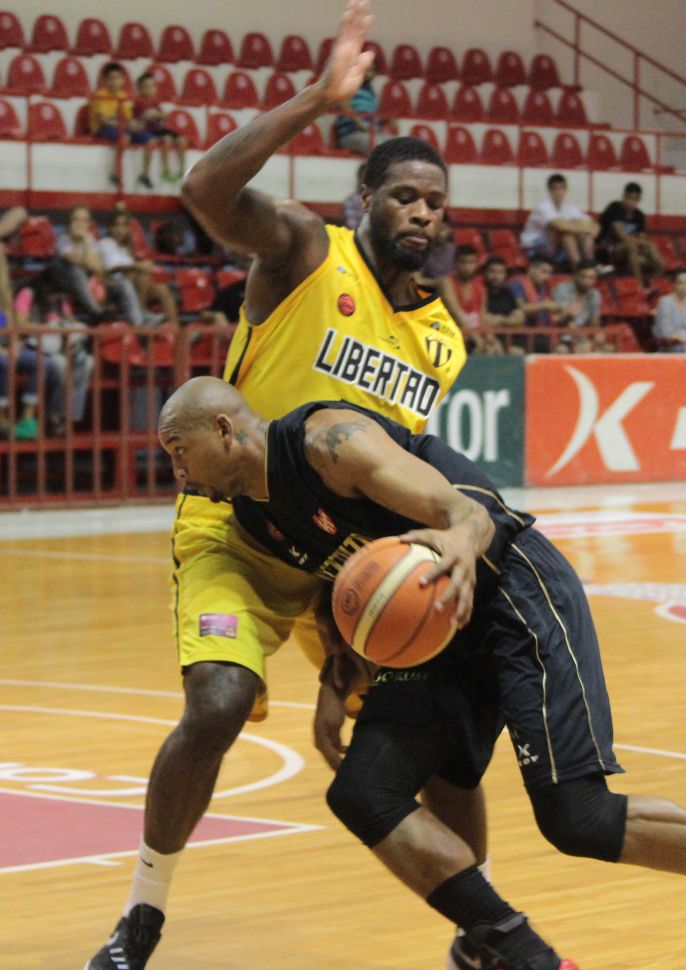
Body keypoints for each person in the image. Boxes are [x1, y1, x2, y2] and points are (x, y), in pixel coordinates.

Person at [84, 4, 472, 967]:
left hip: (342, 559)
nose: (422, 213)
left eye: (435, 202)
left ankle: (484, 934)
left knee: (442, 726)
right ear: (363, 200)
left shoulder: (443, 340)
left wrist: (347, 649)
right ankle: (141, 914)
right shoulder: (306, 252)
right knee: (217, 703)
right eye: (403, 196)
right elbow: (203, 189)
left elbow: (390, 481)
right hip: (236, 530)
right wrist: (316, 100)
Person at [157, 376, 686, 969]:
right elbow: (337, 581)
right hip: (440, 635)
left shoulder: (328, 442)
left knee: (579, 819)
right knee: (364, 791)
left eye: (179, 451)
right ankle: (523, 958)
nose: (178, 473)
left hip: (511, 592)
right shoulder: (255, 515)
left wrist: (462, 542)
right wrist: (334, 675)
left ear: (223, 430)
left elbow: (467, 511)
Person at [13, 268, 94, 435]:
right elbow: (20, 324)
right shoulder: (28, 294)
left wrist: (73, 327)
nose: (55, 295)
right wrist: (46, 328)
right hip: (35, 345)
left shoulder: (60, 298)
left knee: (86, 362)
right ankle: (54, 415)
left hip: (60, 344)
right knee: (59, 364)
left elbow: (69, 319)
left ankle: (68, 415)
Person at [97, 211, 178, 326]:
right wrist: (137, 266)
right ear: (110, 228)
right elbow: (112, 268)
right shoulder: (105, 243)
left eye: (124, 226)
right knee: (142, 272)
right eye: (116, 225)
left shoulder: (125, 248)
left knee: (162, 289)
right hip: (115, 285)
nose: (120, 230)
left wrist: (145, 266)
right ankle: (141, 314)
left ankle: (175, 329)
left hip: (134, 284)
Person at [520, 174, 599, 270]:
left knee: (586, 236)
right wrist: (586, 228)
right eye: (555, 189)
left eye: (562, 189)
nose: (559, 192)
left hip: (553, 245)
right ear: (550, 191)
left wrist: (591, 228)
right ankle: (579, 269)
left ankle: (590, 267)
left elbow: (590, 222)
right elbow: (560, 226)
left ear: (566, 190)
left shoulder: (568, 207)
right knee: (566, 234)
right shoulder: (543, 207)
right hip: (533, 246)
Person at [89, 63, 149, 185]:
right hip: (102, 128)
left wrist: (136, 124)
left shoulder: (123, 95)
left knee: (149, 139)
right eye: (112, 78)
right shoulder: (100, 95)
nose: (115, 81)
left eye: (118, 78)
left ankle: (144, 175)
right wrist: (125, 125)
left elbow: (128, 118)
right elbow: (105, 121)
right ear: (106, 80)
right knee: (125, 137)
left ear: (122, 80)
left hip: (121, 127)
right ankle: (116, 174)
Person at [598, 182, 664, 283]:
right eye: (629, 198)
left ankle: (653, 283)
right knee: (632, 245)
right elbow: (621, 235)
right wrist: (642, 242)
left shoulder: (639, 215)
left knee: (651, 248)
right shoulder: (614, 208)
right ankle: (638, 284)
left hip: (628, 249)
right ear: (623, 196)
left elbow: (642, 237)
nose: (631, 202)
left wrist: (647, 245)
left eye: (635, 199)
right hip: (607, 248)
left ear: (639, 200)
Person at [131, 72, 187, 189]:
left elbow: (160, 117)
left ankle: (183, 171)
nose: (149, 89)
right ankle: (166, 170)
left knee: (182, 139)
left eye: (152, 86)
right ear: (139, 89)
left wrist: (161, 116)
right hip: (149, 130)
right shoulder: (138, 103)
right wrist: (158, 116)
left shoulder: (155, 102)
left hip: (159, 129)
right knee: (167, 139)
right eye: (146, 86)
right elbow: (147, 117)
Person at [334, 57, 397, 155]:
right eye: (365, 70)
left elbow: (375, 115)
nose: (368, 73)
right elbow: (344, 106)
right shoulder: (349, 87)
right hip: (352, 134)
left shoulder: (371, 92)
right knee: (378, 148)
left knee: (397, 145)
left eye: (371, 70)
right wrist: (358, 123)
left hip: (373, 133)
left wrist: (388, 120)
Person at [53, 206, 105, 321]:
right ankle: (97, 312)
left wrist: (86, 241)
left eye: (84, 220)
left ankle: (139, 322)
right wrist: (86, 243)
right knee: (76, 270)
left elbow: (99, 268)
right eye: (76, 219)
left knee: (121, 283)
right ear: (69, 223)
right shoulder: (63, 241)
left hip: (88, 284)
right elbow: (80, 261)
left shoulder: (91, 239)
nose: (80, 224)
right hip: (66, 284)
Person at [507, 256, 566, 353]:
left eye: (549, 273)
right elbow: (522, 308)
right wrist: (545, 305)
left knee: (563, 349)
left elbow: (549, 316)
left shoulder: (544, 288)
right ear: (531, 269)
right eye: (543, 271)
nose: (547, 277)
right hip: (523, 335)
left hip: (543, 334)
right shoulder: (517, 284)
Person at [437, 244, 485, 351]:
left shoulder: (480, 287)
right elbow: (456, 313)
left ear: (476, 264)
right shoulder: (446, 283)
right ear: (455, 263)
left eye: (471, 262)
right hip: (449, 334)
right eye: (463, 262)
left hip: (473, 335)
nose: (467, 267)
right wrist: (476, 338)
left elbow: (482, 317)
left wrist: (489, 339)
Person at [552, 259, 604, 353]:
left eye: (591, 278)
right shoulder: (562, 289)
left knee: (607, 348)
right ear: (575, 275)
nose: (586, 281)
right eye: (583, 276)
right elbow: (561, 321)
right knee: (582, 348)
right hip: (562, 335)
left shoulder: (595, 294)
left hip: (583, 335)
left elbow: (594, 323)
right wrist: (583, 338)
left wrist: (598, 334)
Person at [653, 268, 686, 352]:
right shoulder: (665, 302)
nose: (685, 287)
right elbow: (667, 333)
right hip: (675, 345)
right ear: (673, 284)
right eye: (680, 283)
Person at [481, 257, 524, 354]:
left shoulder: (508, 293)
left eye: (500, 272)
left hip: (509, 340)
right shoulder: (481, 291)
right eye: (492, 272)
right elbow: (483, 320)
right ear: (485, 273)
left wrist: (498, 320)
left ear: (505, 275)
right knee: (491, 350)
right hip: (487, 339)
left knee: (517, 352)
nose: (496, 276)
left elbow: (519, 319)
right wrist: (508, 321)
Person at [341, 161, 366, 229]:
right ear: (359, 179)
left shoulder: (378, 200)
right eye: (364, 178)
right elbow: (353, 228)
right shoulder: (350, 202)